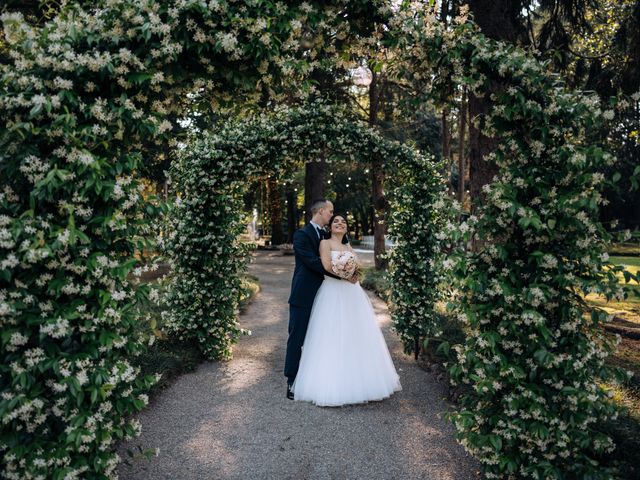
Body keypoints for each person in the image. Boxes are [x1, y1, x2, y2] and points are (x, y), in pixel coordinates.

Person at [292, 213, 402, 406]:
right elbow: (326, 265)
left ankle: (360, 381)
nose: (340, 224)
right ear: (330, 227)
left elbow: (357, 268)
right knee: (332, 335)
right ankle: (332, 385)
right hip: (332, 292)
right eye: (336, 221)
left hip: (353, 294)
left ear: (346, 228)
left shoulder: (348, 246)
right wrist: (345, 275)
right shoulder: (325, 243)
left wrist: (355, 274)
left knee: (356, 335)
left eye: (343, 222)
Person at [284, 199, 355, 400]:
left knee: (323, 338)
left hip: (327, 295)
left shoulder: (327, 235)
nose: (332, 216)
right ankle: (292, 380)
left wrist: (351, 268)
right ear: (321, 211)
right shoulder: (301, 235)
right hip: (304, 294)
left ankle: (320, 378)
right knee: (297, 336)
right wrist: (343, 274)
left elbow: (343, 247)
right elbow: (312, 262)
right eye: (330, 212)